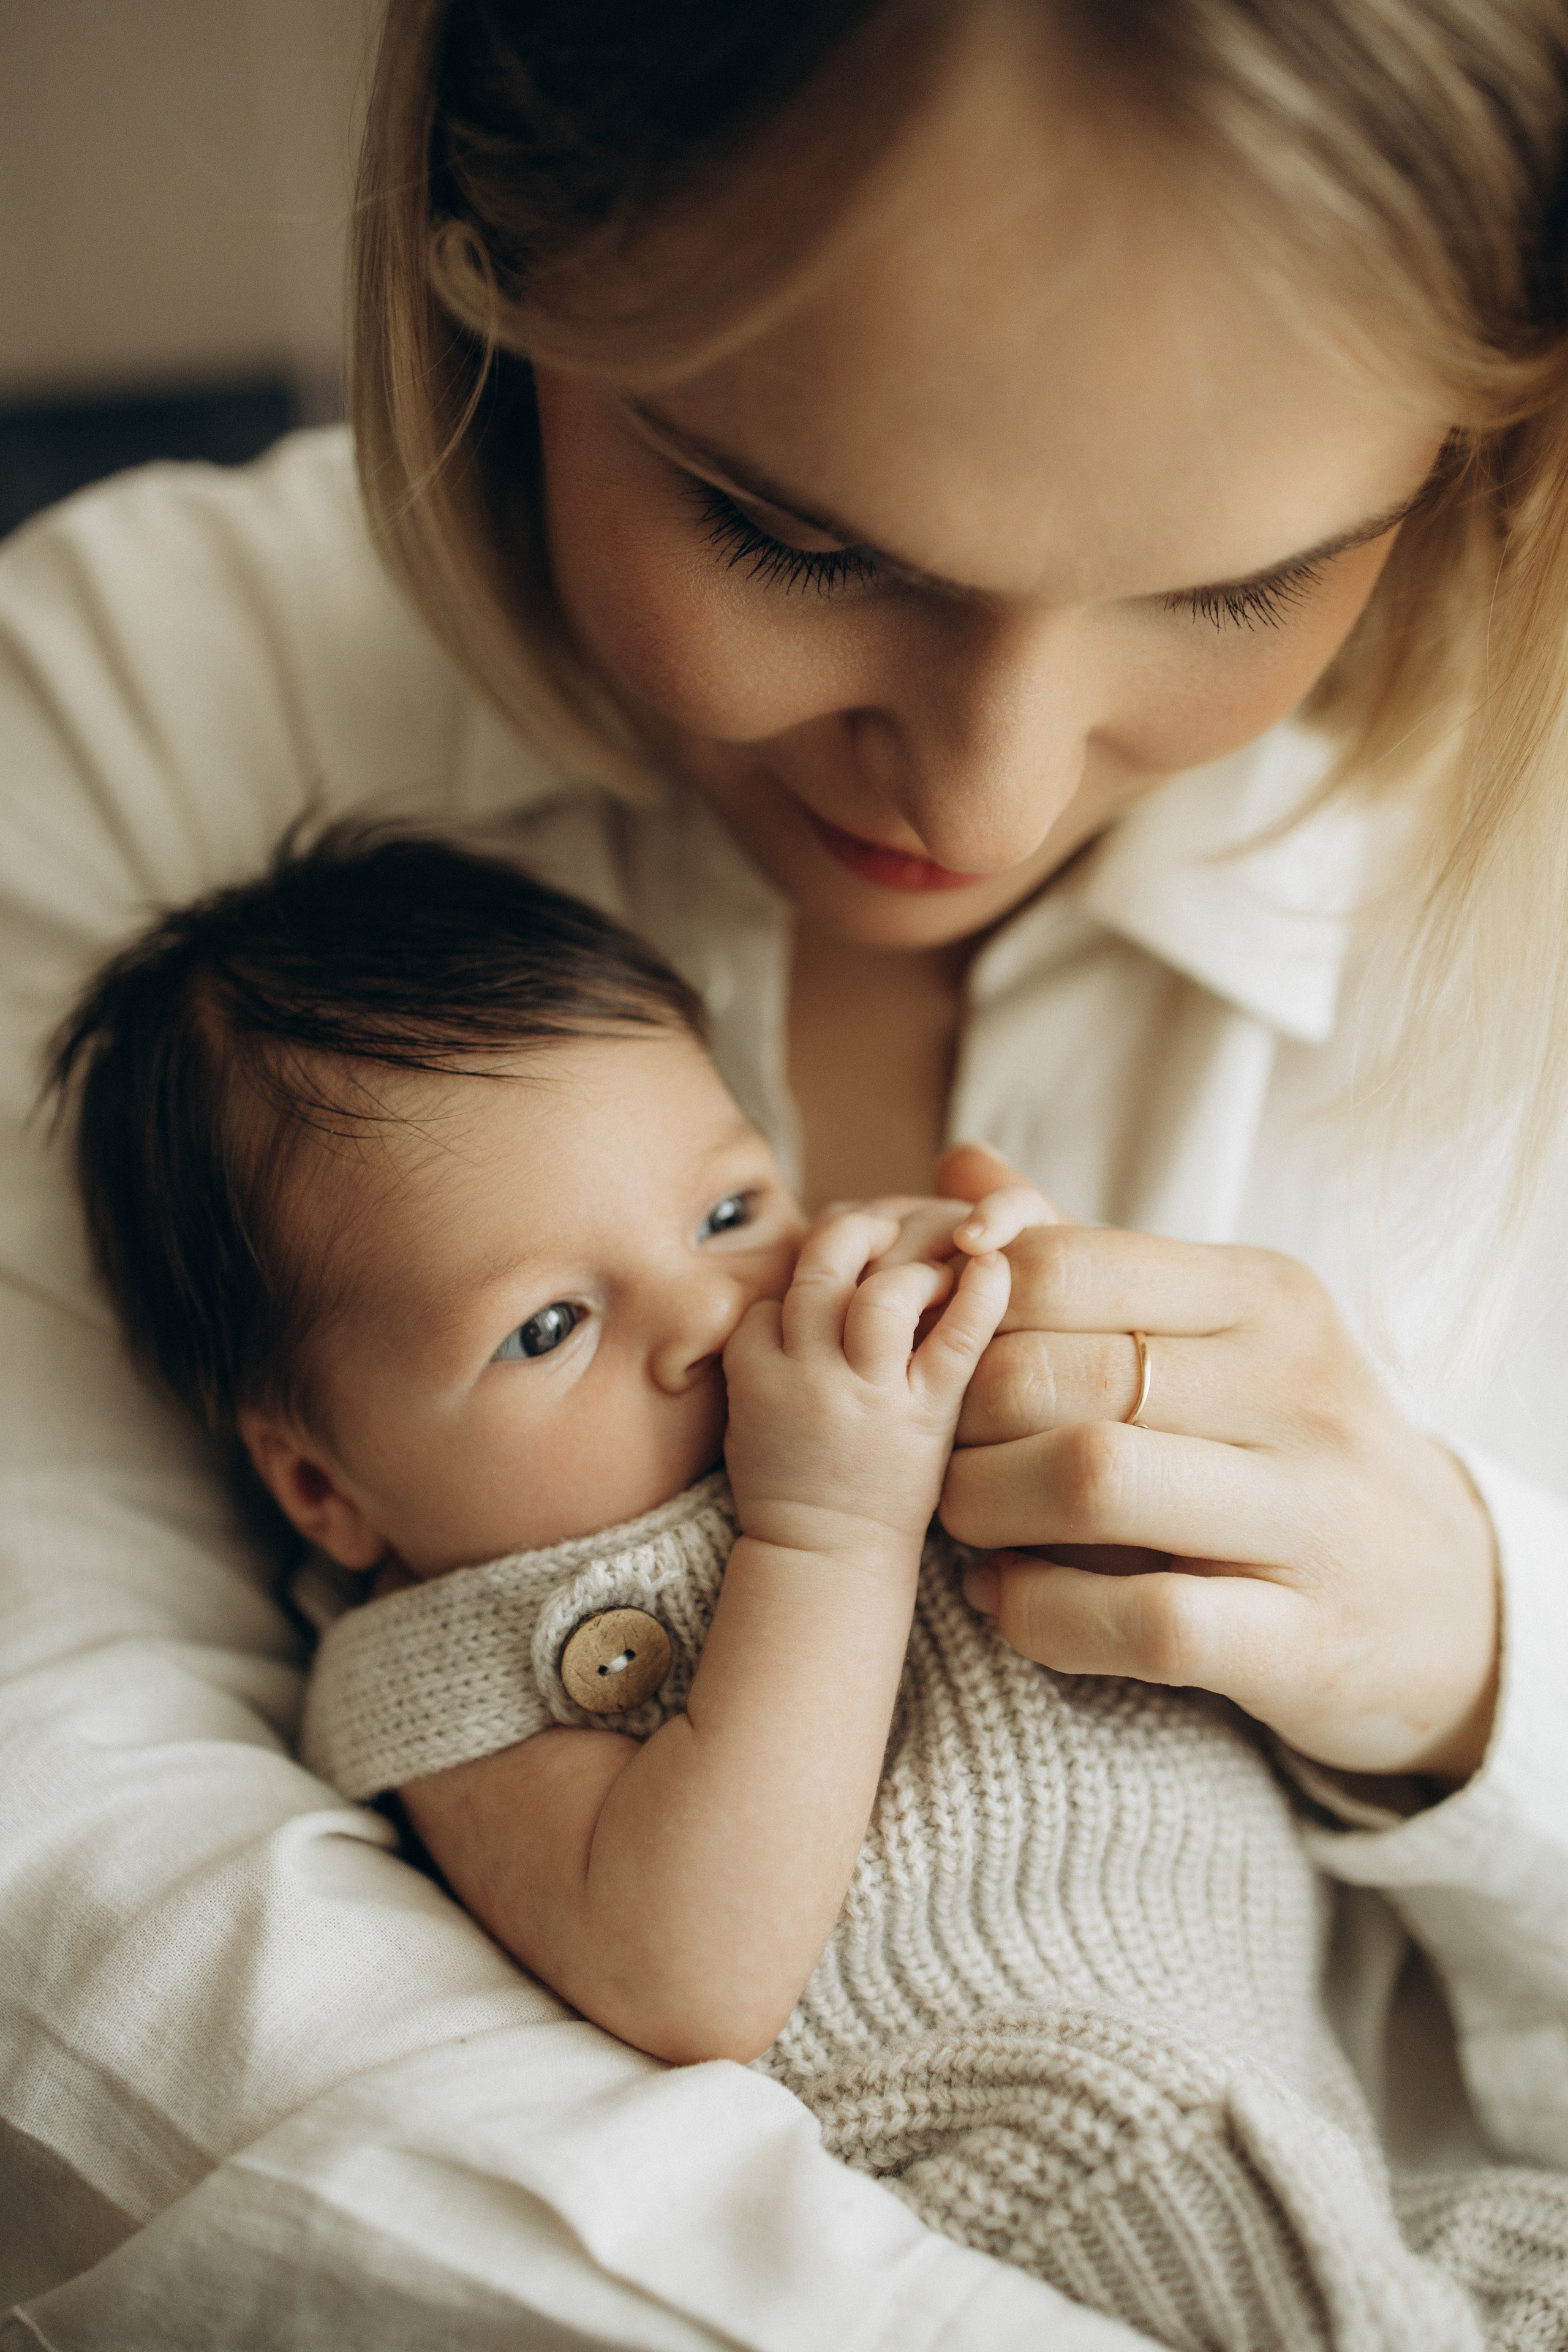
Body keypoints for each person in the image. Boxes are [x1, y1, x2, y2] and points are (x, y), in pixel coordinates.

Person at [1, 1, 1566, 2345]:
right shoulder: (128, 702)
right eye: (791, 533)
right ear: (480, 279)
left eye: (1236, 580)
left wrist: (1475, 1666)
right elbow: (92, 1875)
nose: (985, 795)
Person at [50, 829, 1561, 2351]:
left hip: (1343, 2153)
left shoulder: (844, 1379)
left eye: (725, 1215)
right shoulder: (455, 1664)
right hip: (1022, 2163)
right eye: (551, 1324)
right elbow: (684, 1972)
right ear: (327, 1486)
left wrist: (1024, 1346)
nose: (708, 1318)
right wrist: (828, 1528)